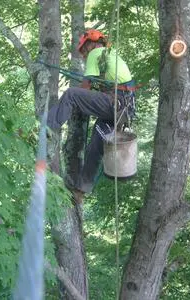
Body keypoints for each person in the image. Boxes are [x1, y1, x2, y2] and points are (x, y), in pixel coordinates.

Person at [47, 29, 135, 203]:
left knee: (72, 94)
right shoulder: (109, 56)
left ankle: (46, 128)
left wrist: (81, 92)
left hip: (116, 103)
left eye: (85, 51)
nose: (85, 56)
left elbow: (85, 88)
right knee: (95, 146)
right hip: (123, 110)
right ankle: (81, 190)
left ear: (92, 44)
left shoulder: (97, 53)